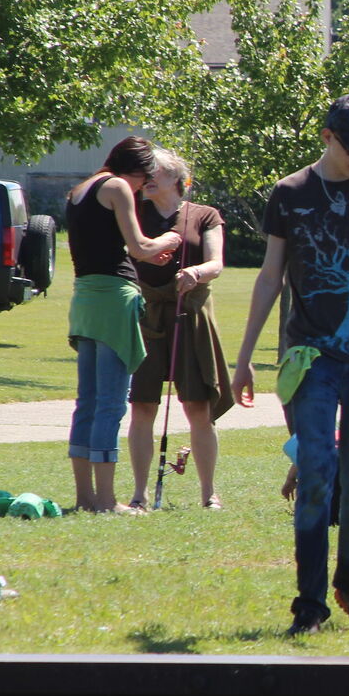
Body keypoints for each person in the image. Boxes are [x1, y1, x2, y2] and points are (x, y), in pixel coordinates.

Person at [232, 95, 349, 635]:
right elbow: (270, 277)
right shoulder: (290, 195)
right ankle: (309, 603)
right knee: (317, 473)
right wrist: (244, 360)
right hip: (310, 358)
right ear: (327, 136)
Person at [67, 136, 182, 514]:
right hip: (114, 300)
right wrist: (171, 236)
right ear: (135, 171)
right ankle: (105, 501)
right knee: (111, 405)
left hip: (85, 299)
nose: (141, 190)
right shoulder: (116, 185)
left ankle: (85, 498)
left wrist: (150, 248)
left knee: (87, 403)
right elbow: (138, 247)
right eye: (143, 181)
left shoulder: (79, 190)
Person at [124, 150, 232, 510]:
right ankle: (138, 495)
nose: (148, 176)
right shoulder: (133, 212)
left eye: (158, 170)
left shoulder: (205, 215)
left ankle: (208, 493)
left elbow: (216, 262)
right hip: (146, 315)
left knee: (197, 407)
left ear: (179, 180)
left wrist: (196, 272)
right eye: (146, 171)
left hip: (191, 315)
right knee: (142, 406)